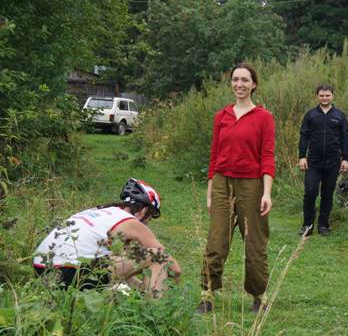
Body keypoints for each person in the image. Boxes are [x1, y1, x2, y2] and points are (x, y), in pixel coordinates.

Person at [198, 62, 275, 314]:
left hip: (251, 185)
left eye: (244, 80)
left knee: (254, 242)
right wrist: (211, 191)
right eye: (235, 80)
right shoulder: (222, 116)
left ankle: (258, 296)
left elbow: (267, 156)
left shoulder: (264, 117)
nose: (239, 84)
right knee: (216, 241)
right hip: (222, 182)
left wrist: (266, 192)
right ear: (231, 83)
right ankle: (207, 294)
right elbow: (213, 155)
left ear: (254, 84)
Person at [32, 178, 181, 298]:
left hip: (42, 270)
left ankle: (137, 296)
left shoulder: (99, 212)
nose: (148, 223)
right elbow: (175, 268)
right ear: (144, 210)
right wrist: (179, 290)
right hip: (69, 273)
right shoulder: (131, 222)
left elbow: (118, 264)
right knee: (157, 256)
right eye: (150, 218)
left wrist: (138, 287)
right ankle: (156, 315)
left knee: (119, 256)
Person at [298, 85, 348, 236]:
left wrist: (345, 158)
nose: (324, 98)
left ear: (333, 96)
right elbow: (304, 136)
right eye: (322, 95)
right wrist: (302, 156)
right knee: (310, 192)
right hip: (313, 161)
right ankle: (307, 225)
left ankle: (323, 225)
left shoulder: (340, 116)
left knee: (327, 193)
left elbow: (345, 138)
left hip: (333, 161)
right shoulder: (311, 115)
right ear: (317, 96)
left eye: (327, 95)